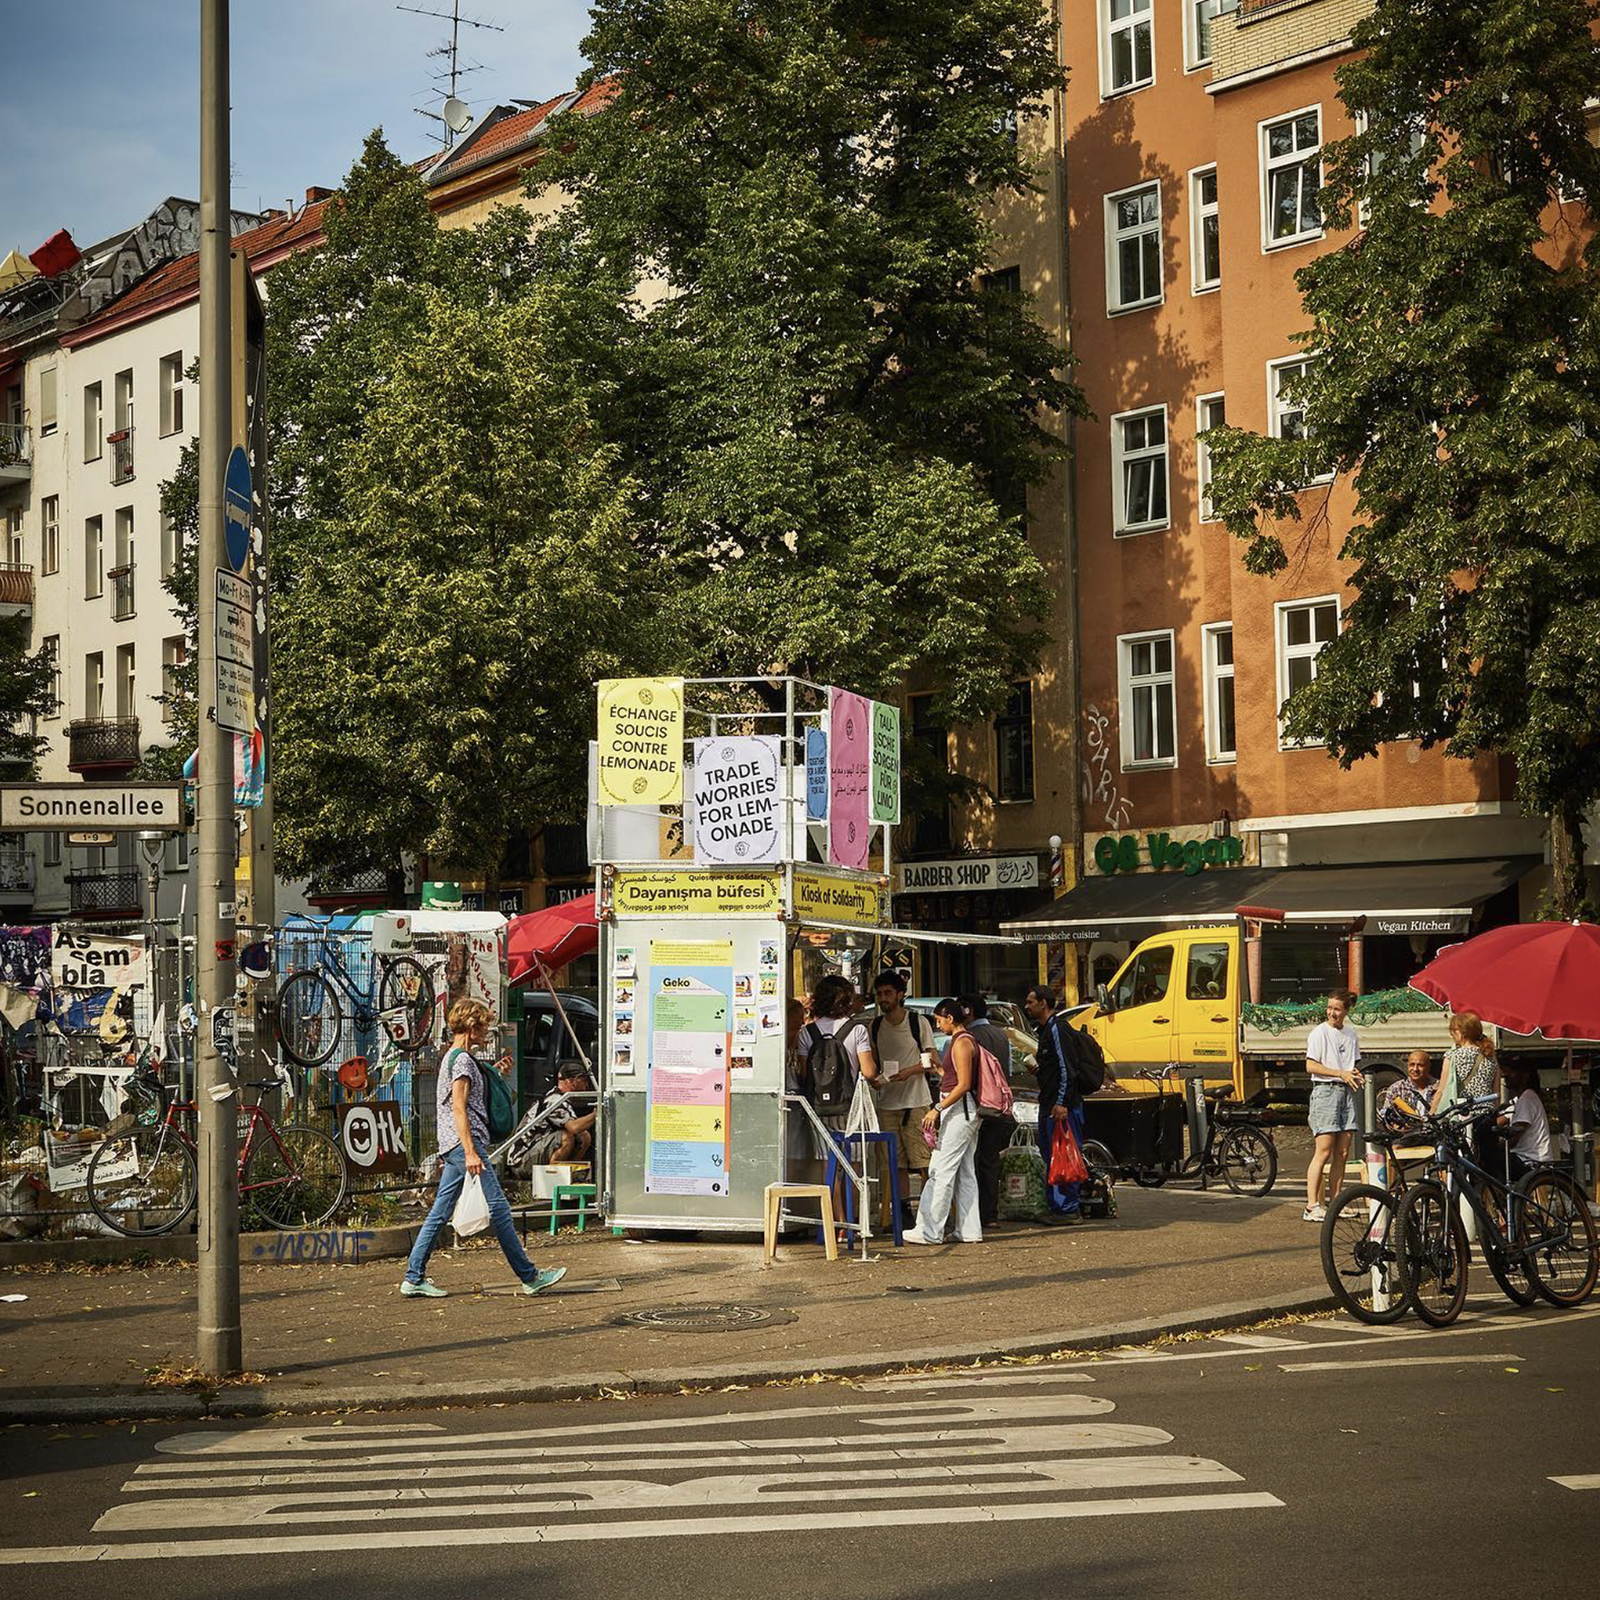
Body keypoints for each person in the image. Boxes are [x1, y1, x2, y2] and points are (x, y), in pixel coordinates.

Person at [401, 998, 567, 1299]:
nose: (488, 1031)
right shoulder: (462, 1060)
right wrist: (470, 1152)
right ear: (471, 1026)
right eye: (484, 1025)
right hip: (464, 1143)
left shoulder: (454, 1057)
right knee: (499, 1208)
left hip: (453, 1144)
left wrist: (494, 1072)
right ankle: (529, 1277)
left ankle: (414, 1277)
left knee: (440, 1212)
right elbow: (460, 1109)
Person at [796, 975, 877, 1236]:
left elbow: (803, 1073)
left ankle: (835, 1225)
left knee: (827, 1166)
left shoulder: (806, 1033)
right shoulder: (857, 1030)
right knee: (852, 1167)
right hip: (849, 1109)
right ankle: (852, 1226)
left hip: (818, 1109)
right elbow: (869, 1071)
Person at [904, 999, 982, 1245]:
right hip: (966, 1110)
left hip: (958, 1109)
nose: (938, 1025)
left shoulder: (960, 1043)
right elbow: (957, 1079)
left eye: (939, 1020)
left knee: (940, 1170)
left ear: (950, 1018)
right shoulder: (966, 1040)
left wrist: (937, 1109)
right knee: (965, 1172)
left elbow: (964, 1084)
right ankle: (969, 1230)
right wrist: (938, 1069)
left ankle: (929, 1230)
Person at [867, 971, 935, 1230]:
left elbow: (932, 1061)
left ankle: (929, 1213)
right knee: (895, 1165)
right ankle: (903, 1212)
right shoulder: (875, 1026)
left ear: (900, 995)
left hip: (916, 1103)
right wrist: (874, 1078)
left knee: (923, 1161)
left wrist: (910, 1071)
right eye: (879, 994)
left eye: (888, 993)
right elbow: (872, 1061)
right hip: (887, 1103)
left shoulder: (918, 1023)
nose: (883, 999)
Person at [1024, 984, 1084, 1224]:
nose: (1027, 1006)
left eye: (1030, 1002)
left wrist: (1061, 1103)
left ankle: (1068, 1208)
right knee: (1052, 1155)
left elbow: (1066, 1070)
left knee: (1064, 1155)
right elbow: (1054, 1069)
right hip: (1050, 1103)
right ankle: (1058, 1207)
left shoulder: (1057, 1029)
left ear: (1044, 1003)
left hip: (1061, 1108)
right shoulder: (1045, 1030)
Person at [1304, 989, 1363, 1223]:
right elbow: (1311, 1066)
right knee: (1324, 1150)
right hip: (1325, 1092)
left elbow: (1350, 1065)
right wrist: (1340, 1073)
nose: (1332, 1013)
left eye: (1337, 1009)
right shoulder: (1319, 1033)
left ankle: (1336, 1201)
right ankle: (1312, 1205)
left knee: (1343, 1152)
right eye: (1329, 1008)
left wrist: (1353, 1074)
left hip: (1346, 1092)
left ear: (1346, 1011)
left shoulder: (1351, 1034)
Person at [960, 994, 1014, 1229]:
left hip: (977, 1104)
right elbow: (1008, 1070)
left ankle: (975, 1213)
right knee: (990, 1160)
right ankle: (990, 1213)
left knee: (973, 1159)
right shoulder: (1001, 1035)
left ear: (968, 1010)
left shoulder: (969, 1038)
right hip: (999, 1105)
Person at [524, 1065, 597, 1166]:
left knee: (584, 1136)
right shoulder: (554, 1100)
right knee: (566, 1137)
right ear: (572, 1081)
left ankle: (571, 1171)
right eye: (584, 1080)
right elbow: (574, 1127)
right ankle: (554, 1175)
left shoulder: (563, 1099)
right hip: (523, 1159)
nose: (587, 1086)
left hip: (539, 1150)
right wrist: (595, 1114)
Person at [1496, 1060, 1553, 1183]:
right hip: (1527, 1159)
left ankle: (1499, 1198)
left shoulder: (1527, 1099)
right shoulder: (1523, 1098)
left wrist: (1495, 1143)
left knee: (1491, 1158)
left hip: (1531, 1162)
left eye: (1512, 1073)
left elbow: (1514, 1139)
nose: (1506, 1078)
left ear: (1525, 1076)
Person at [1379, 1050, 1437, 1133]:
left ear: (1428, 1067)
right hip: (1406, 1136)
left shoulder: (1439, 1087)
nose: (1415, 1069)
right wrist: (1397, 1126)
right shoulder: (1397, 1088)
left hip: (1434, 1135)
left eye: (1420, 1065)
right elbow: (1385, 1114)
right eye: (1412, 1065)